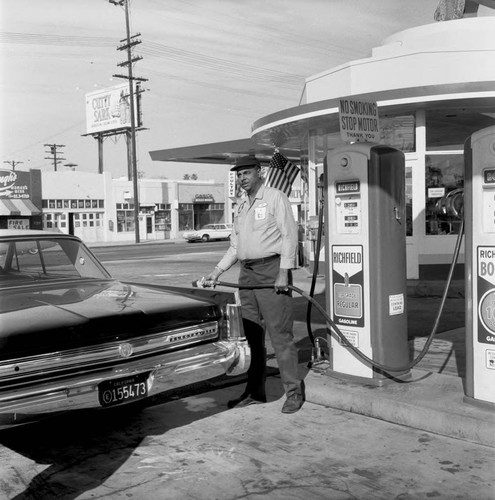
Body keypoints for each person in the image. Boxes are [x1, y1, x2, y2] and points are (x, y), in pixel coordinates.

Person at [203, 155, 304, 414]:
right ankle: (255, 391)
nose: (241, 178)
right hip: (246, 276)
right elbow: (236, 246)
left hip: (271, 271)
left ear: (259, 172)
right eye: (238, 174)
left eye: (246, 173)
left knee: (280, 336)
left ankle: (293, 391)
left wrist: (284, 272)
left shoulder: (274, 197)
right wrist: (217, 271)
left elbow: (289, 235)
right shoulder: (241, 205)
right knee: (252, 337)